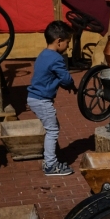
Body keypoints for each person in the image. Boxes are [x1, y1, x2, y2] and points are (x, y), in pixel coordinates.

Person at [27, 21, 76, 176]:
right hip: (41, 100)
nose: (68, 46)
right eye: (67, 42)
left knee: (53, 127)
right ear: (59, 41)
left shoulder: (43, 54)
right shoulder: (56, 59)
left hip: (34, 98)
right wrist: (71, 85)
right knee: (53, 130)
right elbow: (66, 79)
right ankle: (50, 165)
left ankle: (50, 159)